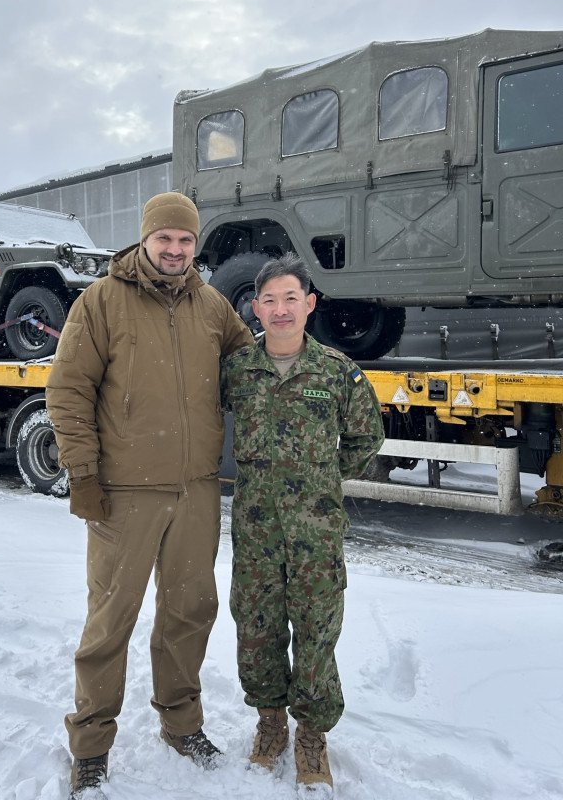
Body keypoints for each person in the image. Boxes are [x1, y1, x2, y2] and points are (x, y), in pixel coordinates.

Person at [46, 192, 253, 799]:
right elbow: (68, 392)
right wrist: (82, 475)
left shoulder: (213, 305)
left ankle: (181, 724)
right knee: (110, 620)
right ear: (145, 240)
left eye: (185, 241)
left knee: (190, 613)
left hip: (196, 489)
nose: (175, 249)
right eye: (164, 238)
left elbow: (251, 367)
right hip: (123, 493)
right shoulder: (101, 301)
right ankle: (90, 744)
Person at [221, 253, 384, 794]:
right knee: (257, 628)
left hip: (315, 533)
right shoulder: (238, 370)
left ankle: (312, 735)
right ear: (255, 307)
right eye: (269, 299)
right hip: (255, 530)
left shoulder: (337, 372)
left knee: (316, 632)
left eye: (291, 298)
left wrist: (322, 480)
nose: (280, 309)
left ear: (310, 305)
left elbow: (366, 437)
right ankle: (270, 725)